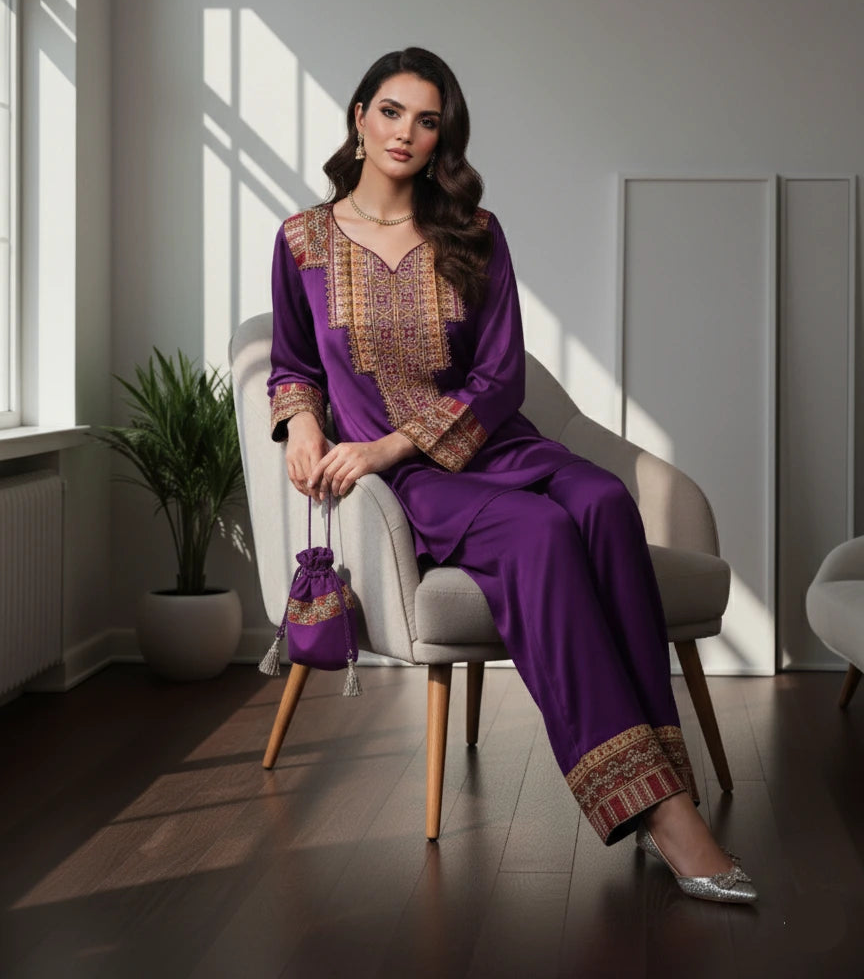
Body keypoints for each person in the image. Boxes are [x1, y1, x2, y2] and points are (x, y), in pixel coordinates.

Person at [266, 46, 757, 905]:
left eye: (426, 120)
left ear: (442, 136)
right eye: (390, 111)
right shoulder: (302, 241)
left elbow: (502, 378)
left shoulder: (474, 232)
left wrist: (392, 441)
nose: (405, 133)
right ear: (358, 116)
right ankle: (663, 813)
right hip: (418, 485)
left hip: (495, 444)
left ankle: (660, 776)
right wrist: (304, 422)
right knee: (540, 534)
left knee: (602, 501)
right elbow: (292, 361)